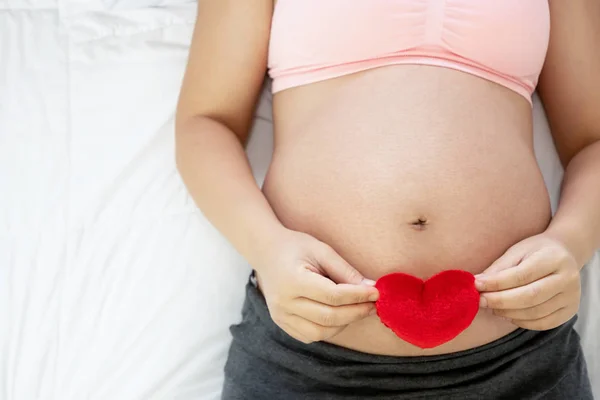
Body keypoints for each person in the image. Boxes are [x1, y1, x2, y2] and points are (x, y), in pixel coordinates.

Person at [175, 1, 600, 399]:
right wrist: (268, 249)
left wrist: (571, 243)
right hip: (305, 362)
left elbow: (592, 140)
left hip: (522, 361)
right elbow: (206, 123)